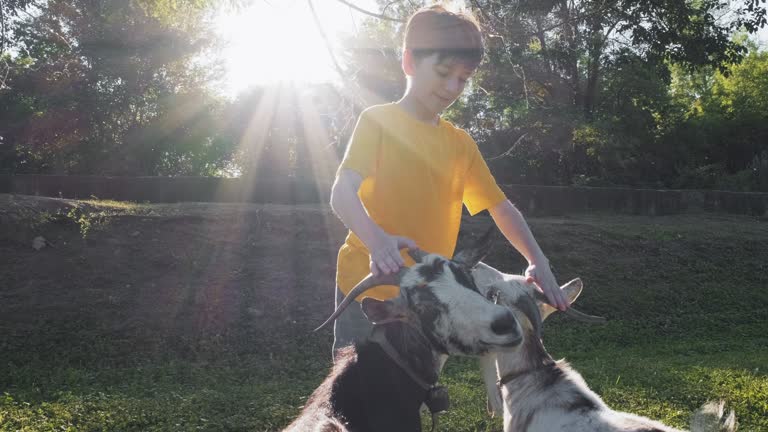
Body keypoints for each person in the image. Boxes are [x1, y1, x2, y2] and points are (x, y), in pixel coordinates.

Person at [329, 4, 568, 356]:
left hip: (434, 301)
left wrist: (538, 260)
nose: (453, 87)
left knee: (414, 393)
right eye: (443, 73)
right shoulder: (378, 122)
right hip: (369, 289)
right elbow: (342, 192)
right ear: (410, 62)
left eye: (464, 79)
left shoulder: (459, 143)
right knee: (355, 394)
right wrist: (378, 242)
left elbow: (500, 207)